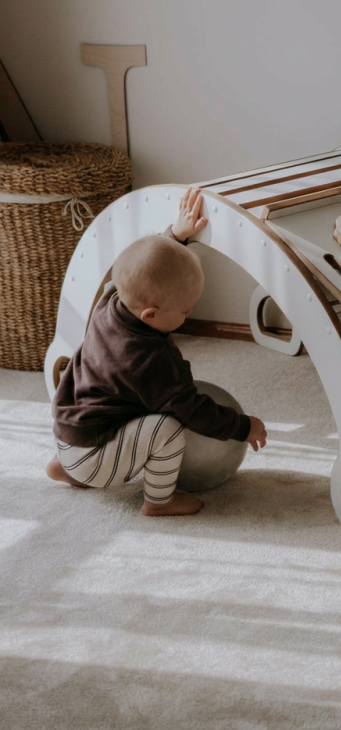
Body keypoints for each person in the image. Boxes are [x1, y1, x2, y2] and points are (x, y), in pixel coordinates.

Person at [46, 186, 268, 516]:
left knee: (120, 411)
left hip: (71, 436)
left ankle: (68, 468)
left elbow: (148, 268)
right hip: (94, 455)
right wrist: (242, 427)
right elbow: (192, 409)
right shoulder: (149, 361)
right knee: (168, 429)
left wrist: (175, 236)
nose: (188, 315)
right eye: (185, 311)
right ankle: (158, 501)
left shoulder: (112, 298)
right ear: (150, 315)